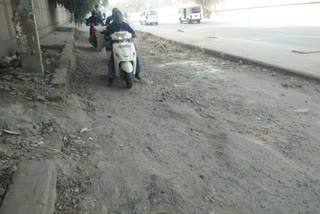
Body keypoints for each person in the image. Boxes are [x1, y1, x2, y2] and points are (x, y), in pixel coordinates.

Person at [104, 10, 141, 84]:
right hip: (115, 44)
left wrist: (133, 34)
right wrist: (108, 37)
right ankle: (110, 77)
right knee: (112, 58)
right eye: (117, 17)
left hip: (126, 43)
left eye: (120, 17)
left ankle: (137, 73)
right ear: (114, 18)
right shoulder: (110, 26)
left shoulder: (125, 25)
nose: (119, 18)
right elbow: (106, 35)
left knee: (135, 56)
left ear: (122, 17)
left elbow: (132, 32)